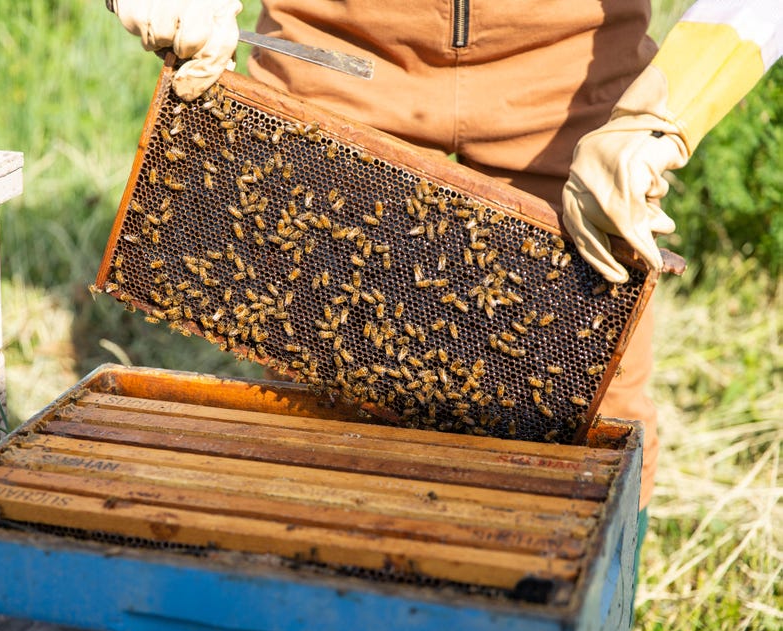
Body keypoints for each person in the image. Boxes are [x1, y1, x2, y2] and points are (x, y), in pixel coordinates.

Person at [108, 0, 781, 517]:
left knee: (589, 446)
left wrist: (665, 113)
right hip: (333, 60)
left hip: (579, 93)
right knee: (313, 429)